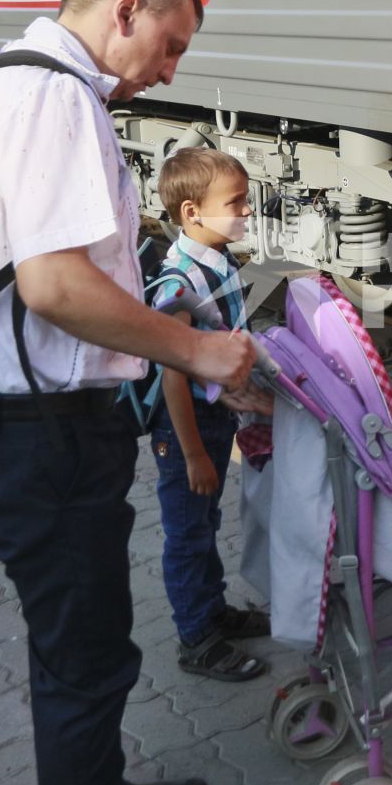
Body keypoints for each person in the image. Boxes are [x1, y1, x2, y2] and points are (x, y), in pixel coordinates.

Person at [0, 0, 265, 785]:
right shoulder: (52, 96)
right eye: (169, 42)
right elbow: (55, 286)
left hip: (22, 424)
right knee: (85, 651)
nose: (168, 68)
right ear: (125, 7)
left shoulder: (22, 81)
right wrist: (194, 348)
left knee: (73, 641)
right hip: (34, 431)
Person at [146, 146, 271, 682]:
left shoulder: (215, 259)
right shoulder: (180, 282)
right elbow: (172, 370)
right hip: (184, 432)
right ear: (192, 212)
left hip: (210, 422)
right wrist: (194, 453)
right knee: (188, 532)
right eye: (236, 202)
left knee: (206, 521)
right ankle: (196, 638)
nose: (247, 212)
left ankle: (213, 611)